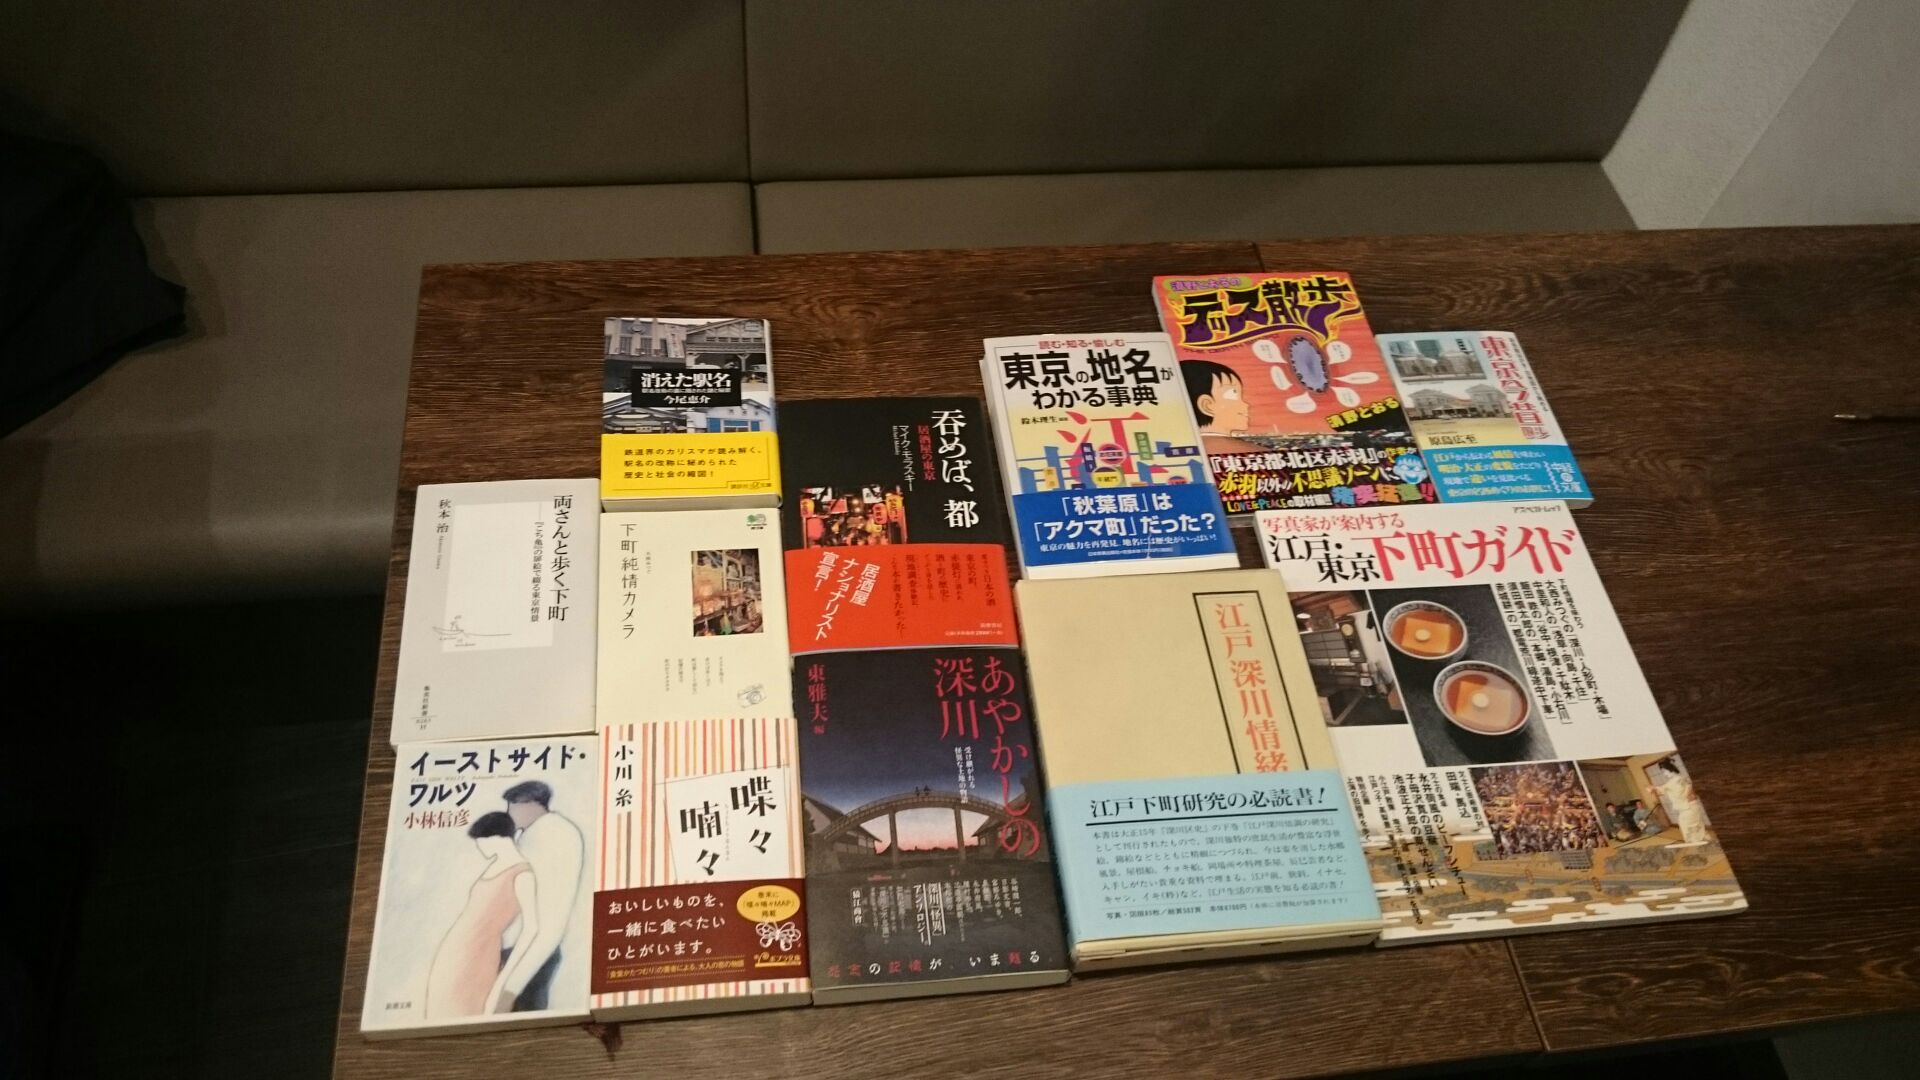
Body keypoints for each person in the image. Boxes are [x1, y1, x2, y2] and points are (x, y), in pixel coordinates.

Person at [423, 812, 538, 1020]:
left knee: (466, 1011)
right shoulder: (494, 865)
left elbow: (531, 929)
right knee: (439, 1011)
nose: (479, 846)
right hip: (453, 952)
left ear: (497, 838)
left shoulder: (523, 874)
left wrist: (502, 981)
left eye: (481, 841)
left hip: (480, 955)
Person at [494, 781, 585, 1013]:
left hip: (530, 952)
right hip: (520, 949)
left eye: (512, 806)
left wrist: (510, 990)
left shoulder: (554, 835)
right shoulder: (534, 834)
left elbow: (551, 917)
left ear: (531, 804)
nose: (508, 814)